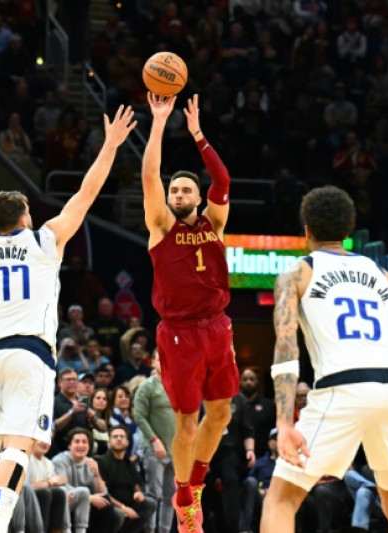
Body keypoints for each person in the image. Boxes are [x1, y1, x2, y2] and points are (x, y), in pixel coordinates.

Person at [0, 106, 136, 533]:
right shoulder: (44, 240)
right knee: (18, 448)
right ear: (24, 217)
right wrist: (111, 145)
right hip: (29, 353)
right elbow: (86, 195)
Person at [260, 186, 388, 533]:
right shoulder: (384, 276)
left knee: (280, 500)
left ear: (307, 230)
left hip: (343, 388)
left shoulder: (297, 273)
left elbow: (286, 349)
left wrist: (285, 422)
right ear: (348, 231)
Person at [142, 92, 238, 533]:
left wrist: (198, 134)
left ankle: (195, 483)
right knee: (186, 421)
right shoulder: (161, 227)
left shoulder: (214, 224)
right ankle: (184, 497)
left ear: (198, 199)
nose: (178, 193)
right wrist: (159, 122)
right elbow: (149, 178)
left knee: (221, 413)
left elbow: (222, 179)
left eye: (186, 189)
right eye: (174, 189)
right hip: (178, 332)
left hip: (217, 327)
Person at [133, 350, 176, 533]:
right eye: (160, 359)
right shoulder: (147, 386)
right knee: (153, 494)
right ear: (153, 362)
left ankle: (164, 531)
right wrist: (154, 440)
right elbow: (139, 416)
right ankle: (149, 531)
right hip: (154, 448)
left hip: (174, 449)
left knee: (170, 496)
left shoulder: (176, 385)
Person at [97, 425, 157, 533]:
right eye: (115, 437)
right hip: (111, 504)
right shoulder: (101, 461)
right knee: (118, 513)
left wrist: (139, 494)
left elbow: (137, 486)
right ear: (109, 442)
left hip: (129, 502)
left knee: (150, 504)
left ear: (128, 443)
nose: (119, 439)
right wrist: (123, 508)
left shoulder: (129, 463)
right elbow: (103, 493)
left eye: (122, 436)